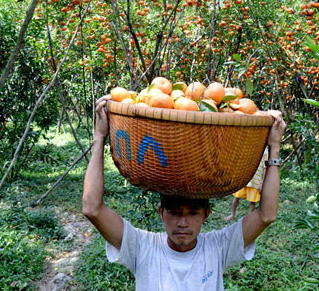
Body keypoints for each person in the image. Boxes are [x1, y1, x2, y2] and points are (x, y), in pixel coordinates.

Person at [82, 95, 286, 290]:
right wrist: (100, 138)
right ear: (161, 213)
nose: (182, 223)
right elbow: (92, 209)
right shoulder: (142, 247)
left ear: (206, 215)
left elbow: (266, 215)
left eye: (193, 213)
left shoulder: (218, 248)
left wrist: (274, 147)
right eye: (174, 212)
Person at [224, 148, 268, 221]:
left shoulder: (265, 153)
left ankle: (248, 219)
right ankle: (232, 214)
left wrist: (262, 183)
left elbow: (265, 168)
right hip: (244, 179)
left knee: (252, 201)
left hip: (255, 182)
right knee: (236, 198)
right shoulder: (250, 148)